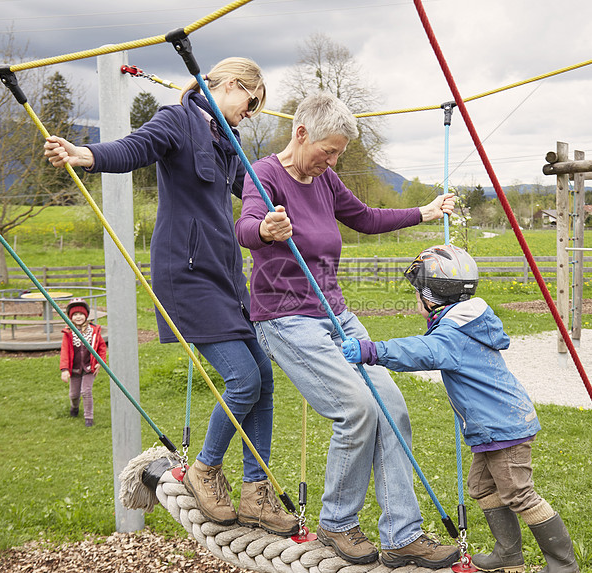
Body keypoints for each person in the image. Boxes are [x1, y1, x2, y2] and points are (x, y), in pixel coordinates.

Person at [43, 58, 298, 536]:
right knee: (242, 377)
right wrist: (86, 155)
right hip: (186, 274)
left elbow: (256, 194)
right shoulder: (177, 119)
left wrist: (282, 204)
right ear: (231, 84)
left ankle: (255, 491)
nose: (251, 112)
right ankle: (204, 469)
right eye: (252, 101)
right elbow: (135, 149)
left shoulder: (230, 141)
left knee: (262, 375)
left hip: (226, 275)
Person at [235, 91, 460, 569]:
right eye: (328, 150)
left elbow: (365, 218)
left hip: (335, 315)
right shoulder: (266, 174)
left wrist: (425, 211)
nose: (332, 160)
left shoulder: (326, 180)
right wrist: (267, 231)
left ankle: (403, 535)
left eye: (338, 153)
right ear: (302, 134)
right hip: (285, 316)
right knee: (356, 410)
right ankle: (337, 524)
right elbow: (246, 225)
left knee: (392, 408)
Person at [340, 244, 580, 573]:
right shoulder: (464, 322)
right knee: (483, 487)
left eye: (417, 292)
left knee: (519, 494)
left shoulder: (453, 335)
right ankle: (508, 556)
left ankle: (564, 566)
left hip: (503, 428)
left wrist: (371, 350)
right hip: (493, 428)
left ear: (430, 295)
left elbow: (420, 351)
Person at [60, 298, 107, 428]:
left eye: (81, 314)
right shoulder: (68, 332)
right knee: (74, 394)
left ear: (86, 315)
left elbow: (101, 347)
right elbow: (64, 351)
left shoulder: (93, 331)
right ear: (71, 317)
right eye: (75, 314)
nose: (78, 317)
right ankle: (74, 407)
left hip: (89, 367)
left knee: (86, 391)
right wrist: (64, 369)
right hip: (74, 369)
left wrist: (100, 362)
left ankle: (88, 418)